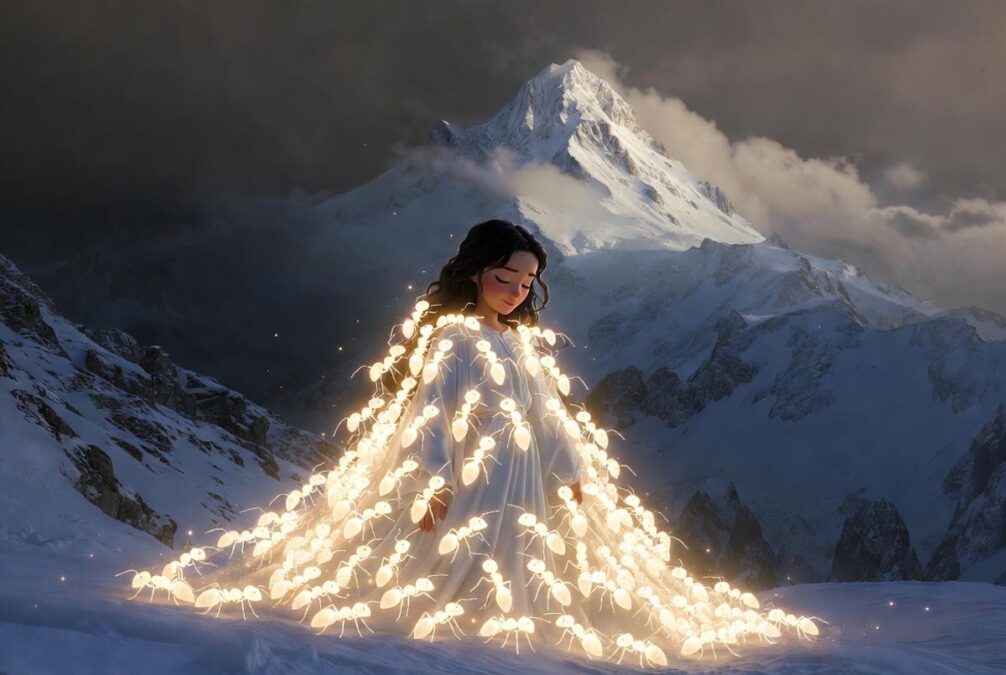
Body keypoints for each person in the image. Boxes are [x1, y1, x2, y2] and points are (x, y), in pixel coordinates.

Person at [123, 219, 821, 666]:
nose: (516, 291)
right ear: (475, 273)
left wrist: (572, 468)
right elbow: (429, 413)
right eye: (504, 278)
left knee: (514, 558)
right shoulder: (454, 338)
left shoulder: (518, 341)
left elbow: (547, 416)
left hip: (522, 473)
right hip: (470, 470)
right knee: (459, 558)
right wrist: (433, 479)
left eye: (525, 282)